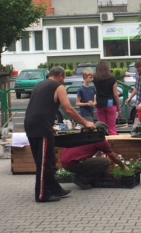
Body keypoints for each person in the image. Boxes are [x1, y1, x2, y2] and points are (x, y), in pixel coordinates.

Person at [23, 66, 96, 203]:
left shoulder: (39, 85)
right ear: (61, 75)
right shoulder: (58, 87)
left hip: (30, 124)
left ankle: (55, 189)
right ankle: (42, 195)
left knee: (46, 160)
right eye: (64, 77)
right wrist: (85, 123)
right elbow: (68, 109)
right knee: (45, 162)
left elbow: (39, 106)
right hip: (42, 127)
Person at [60, 121, 128, 190]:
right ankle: (82, 179)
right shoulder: (99, 139)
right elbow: (114, 157)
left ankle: (82, 176)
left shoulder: (84, 134)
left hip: (64, 162)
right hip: (73, 163)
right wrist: (124, 167)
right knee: (105, 162)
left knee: (97, 161)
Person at [93, 61, 120, 135]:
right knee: (111, 127)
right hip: (110, 104)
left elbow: (96, 91)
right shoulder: (113, 79)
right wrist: (118, 107)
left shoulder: (95, 79)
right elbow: (115, 94)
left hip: (100, 104)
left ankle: (103, 144)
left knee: (102, 127)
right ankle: (113, 144)